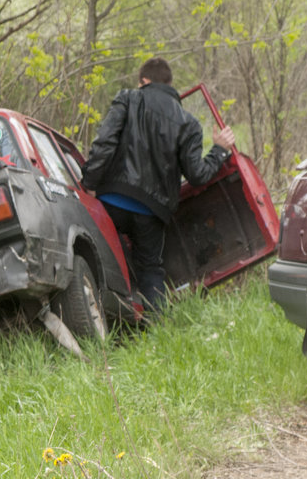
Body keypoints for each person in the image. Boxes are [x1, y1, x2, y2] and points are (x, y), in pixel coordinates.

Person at [80, 57, 236, 315]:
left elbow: (103, 145)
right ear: (168, 83)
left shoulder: (127, 99)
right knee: (150, 269)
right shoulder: (188, 123)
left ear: (144, 81)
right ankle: (154, 332)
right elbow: (197, 175)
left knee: (101, 256)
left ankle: (103, 319)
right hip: (151, 213)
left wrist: (89, 184)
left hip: (113, 200)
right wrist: (219, 151)